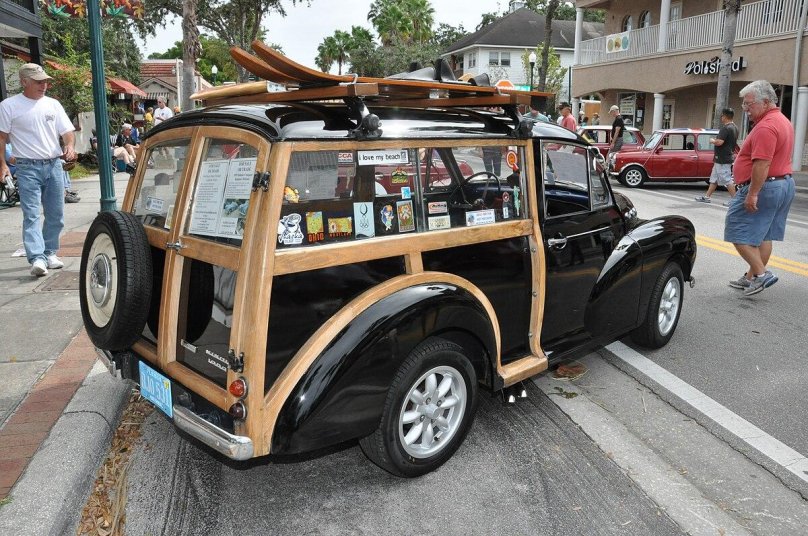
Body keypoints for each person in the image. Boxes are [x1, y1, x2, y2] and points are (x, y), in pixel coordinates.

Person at [0, 63, 75, 277]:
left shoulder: (53, 104)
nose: (44, 85)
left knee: (56, 214)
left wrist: (70, 146)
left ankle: (50, 252)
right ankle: (37, 257)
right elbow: (2, 137)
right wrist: (3, 165)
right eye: (39, 82)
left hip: (53, 165)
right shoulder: (9, 105)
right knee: (31, 214)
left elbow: (67, 131)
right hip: (26, 166)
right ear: (24, 81)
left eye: (46, 82)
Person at [724, 80, 795, 296]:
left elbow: (762, 163)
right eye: (744, 104)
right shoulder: (782, 121)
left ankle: (763, 275)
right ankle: (751, 278)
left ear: (765, 102)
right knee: (764, 235)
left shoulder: (765, 127)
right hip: (782, 183)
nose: (745, 109)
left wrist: (752, 193)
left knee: (737, 230)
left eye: (749, 104)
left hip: (766, 186)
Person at [695, 108, 738, 204]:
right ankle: (707, 197)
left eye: (722, 116)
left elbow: (720, 142)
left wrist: (712, 141)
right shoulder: (735, 128)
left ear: (725, 116)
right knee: (714, 178)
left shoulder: (726, 128)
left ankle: (735, 201)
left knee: (726, 179)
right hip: (724, 157)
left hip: (723, 159)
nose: (721, 117)